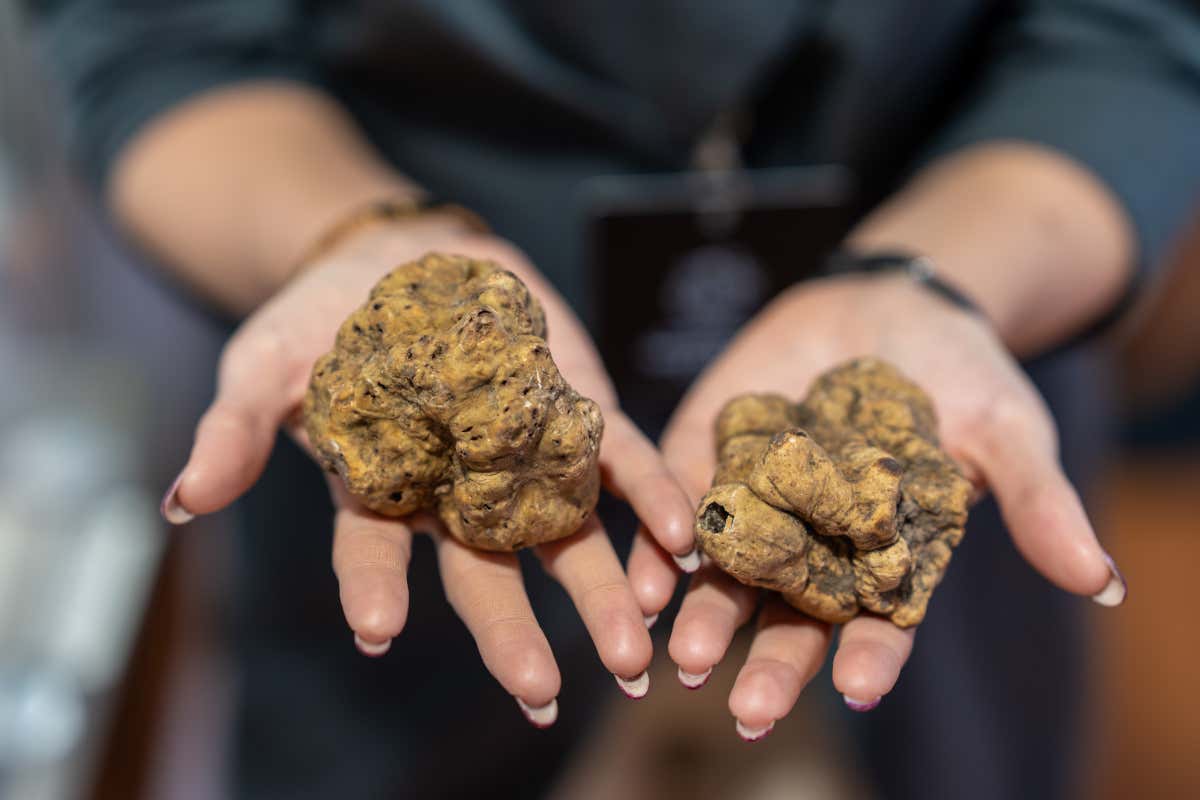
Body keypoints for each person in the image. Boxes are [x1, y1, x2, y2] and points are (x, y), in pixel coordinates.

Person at [22, 1, 1200, 798]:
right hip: (392, 546)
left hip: (959, 312)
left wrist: (935, 276)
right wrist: (350, 230)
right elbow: (154, 31)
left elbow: (1139, 32)